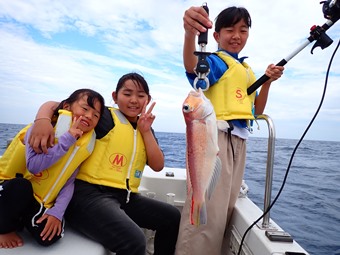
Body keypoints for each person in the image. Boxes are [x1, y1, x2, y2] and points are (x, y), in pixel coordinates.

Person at [27, 72, 181, 255]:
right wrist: (42, 120)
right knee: (134, 241)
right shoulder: (103, 117)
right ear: (115, 97)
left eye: (141, 96)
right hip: (88, 195)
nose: (134, 100)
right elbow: (56, 104)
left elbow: (158, 165)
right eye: (127, 94)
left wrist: (146, 131)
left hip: (126, 197)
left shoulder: (145, 127)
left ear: (148, 100)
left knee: (172, 218)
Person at [175, 6, 285, 255]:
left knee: (224, 211)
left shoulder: (245, 71)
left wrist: (266, 83)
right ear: (216, 36)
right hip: (216, 140)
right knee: (205, 213)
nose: (237, 35)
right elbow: (194, 67)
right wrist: (189, 35)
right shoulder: (215, 61)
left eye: (243, 30)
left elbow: (256, 110)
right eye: (230, 30)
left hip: (239, 144)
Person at [0, 89, 105, 249]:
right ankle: (4, 229)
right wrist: (66, 140)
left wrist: (57, 212)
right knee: (21, 187)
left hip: (36, 201)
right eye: (85, 109)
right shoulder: (40, 130)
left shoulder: (83, 144)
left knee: (48, 237)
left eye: (96, 115)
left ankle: (19, 220)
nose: (90, 116)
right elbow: (34, 166)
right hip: (10, 190)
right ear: (67, 107)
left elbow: (68, 182)